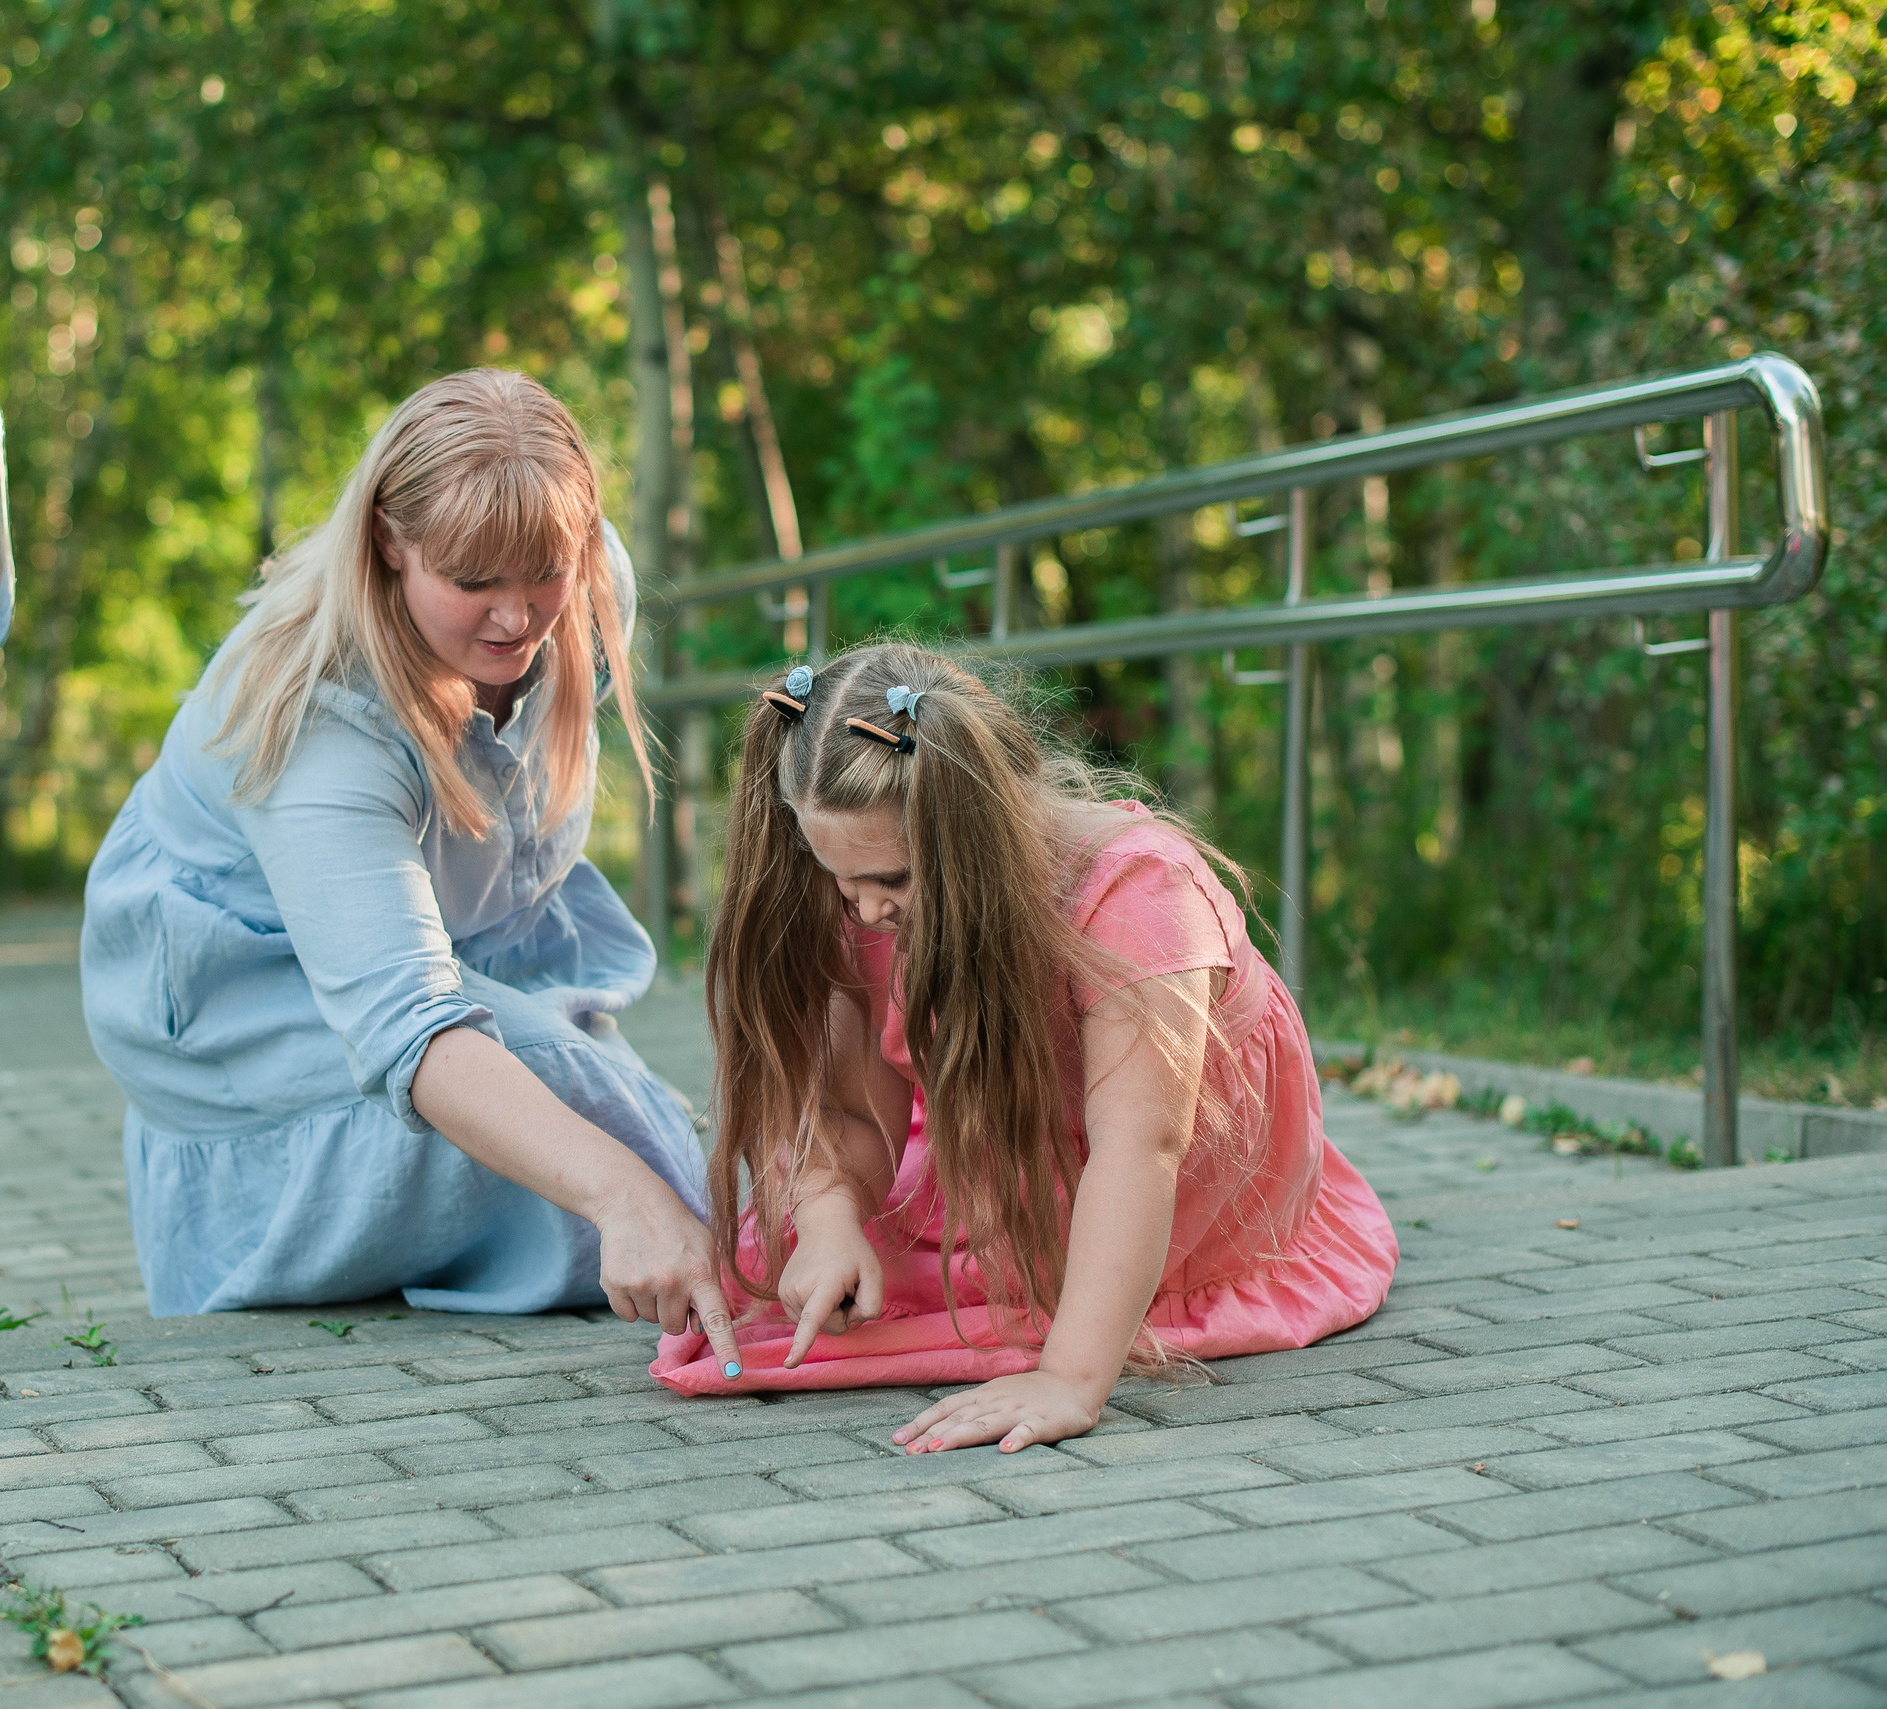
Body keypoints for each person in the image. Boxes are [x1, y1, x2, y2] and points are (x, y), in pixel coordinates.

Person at [82, 368, 742, 1372]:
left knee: (645, 1136)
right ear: (390, 541)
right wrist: (626, 1193)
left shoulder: (586, 573)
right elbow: (409, 1020)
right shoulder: (315, 717)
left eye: (541, 576)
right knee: (622, 1149)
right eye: (473, 582)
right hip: (255, 1017)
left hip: (433, 958)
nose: (516, 619)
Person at [651, 641, 1397, 1449]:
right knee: (804, 1268)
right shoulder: (869, 879)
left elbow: (1140, 1148)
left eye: (892, 882)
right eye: (837, 876)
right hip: (1019, 1141)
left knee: (1048, 1284)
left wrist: (1070, 1377)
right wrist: (832, 1219)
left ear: (973, 837)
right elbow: (847, 1110)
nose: (864, 911)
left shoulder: (1140, 896)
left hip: (1166, 1177)